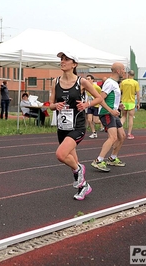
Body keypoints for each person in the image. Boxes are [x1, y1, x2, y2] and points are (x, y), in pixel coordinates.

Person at [49, 51, 103, 200]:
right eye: (61, 59)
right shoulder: (55, 82)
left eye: (66, 59)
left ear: (74, 64)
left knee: (61, 154)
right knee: (71, 158)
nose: (62, 61)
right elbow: (51, 105)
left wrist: (87, 104)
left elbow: (99, 98)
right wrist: (56, 105)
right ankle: (83, 187)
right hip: (62, 127)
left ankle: (80, 168)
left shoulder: (82, 82)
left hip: (77, 126)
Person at [91, 62, 126, 172]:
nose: (125, 72)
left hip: (113, 113)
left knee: (122, 136)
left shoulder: (115, 83)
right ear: (118, 71)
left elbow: (110, 99)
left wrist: (118, 105)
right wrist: (111, 110)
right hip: (107, 113)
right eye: (123, 70)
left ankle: (112, 158)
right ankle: (98, 160)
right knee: (113, 137)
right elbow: (100, 99)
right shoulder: (110, 83)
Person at [120, 70, 140, 140]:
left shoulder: (123, 82)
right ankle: (129, 134)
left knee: (123, 116)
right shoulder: (135, 83)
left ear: (128, 74)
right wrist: (138, 103)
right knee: (131, 117)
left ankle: (119, 129)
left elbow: (120, 92)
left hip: (124, 101)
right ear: (134, 75)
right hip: (131, 102)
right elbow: (137, 94)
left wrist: (120, 101)